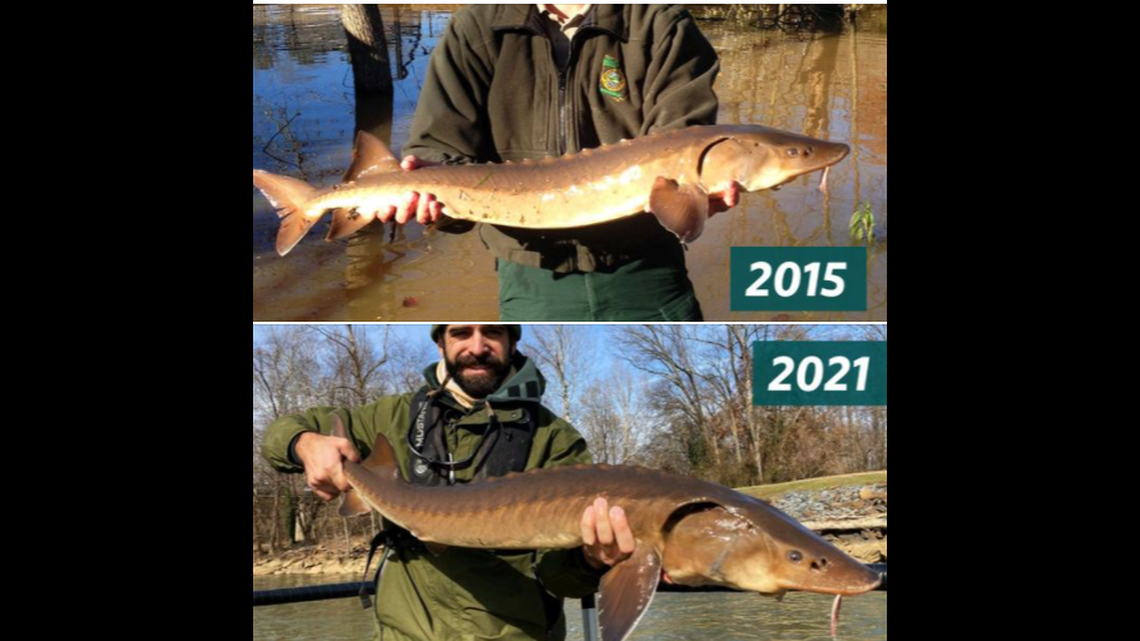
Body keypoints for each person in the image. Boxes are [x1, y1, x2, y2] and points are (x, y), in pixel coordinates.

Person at [261, 325, 636, 641]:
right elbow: (278, 435)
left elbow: (560, 579)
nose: (477, 346)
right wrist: (303, 443)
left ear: (513, 342)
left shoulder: (554, 437)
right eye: (460, 333)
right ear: (441, 343)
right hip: (403, 632)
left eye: (492, 333)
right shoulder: (392, 416)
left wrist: (591, 563)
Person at [379, 5, 739, 321]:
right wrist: (431, 203)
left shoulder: (661, 23)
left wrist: (692, 198)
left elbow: (683, 140)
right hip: (530, 274)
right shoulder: (475, 26)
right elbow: (440, 146)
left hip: (647, 269)